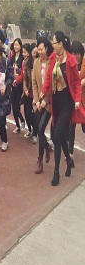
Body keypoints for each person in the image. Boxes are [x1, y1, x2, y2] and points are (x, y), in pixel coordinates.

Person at [40, 31, 81, 186]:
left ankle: (56, 172)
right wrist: (43, 92)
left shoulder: (70, 60)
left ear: (61, 44)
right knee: (60, 135)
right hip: (55, 103)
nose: (53, 45)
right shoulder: (53, 59)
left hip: (66, 104)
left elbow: (76, 83)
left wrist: (77, 100)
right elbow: (48, 79)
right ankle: (69, 161)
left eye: (54, 42)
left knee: (56, 136)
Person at [32, 37, 53, 174]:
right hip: (38, 102)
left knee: (40, 129)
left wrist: (45, 100)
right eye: (38, 49)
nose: (39, 52)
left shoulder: (52, 62)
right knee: (38, 130)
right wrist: (37, 100)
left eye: (41, 49)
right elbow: (34, 83)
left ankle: (39, 160)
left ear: (46, 48)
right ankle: (46, 147)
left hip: (48, 103)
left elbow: (52, 83)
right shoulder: (36, 62)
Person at [68, 41, 85, 160]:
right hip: (73, 99)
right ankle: (70, 151)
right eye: (73, 53)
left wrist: (81, 83)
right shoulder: (70, 63)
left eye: (77, 53)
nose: (75, 56)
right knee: (71, 124)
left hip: (83, 99)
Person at [10, 38, 26, 134]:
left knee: (16, 106)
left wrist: (18, 78)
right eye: (14, 45)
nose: (15, 46)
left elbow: (23, 73)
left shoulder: (22, 58)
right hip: (13, 85)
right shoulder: (12, 58)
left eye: (17, 45)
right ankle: (17, 126)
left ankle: (22, 120)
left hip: (19, 86)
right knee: (13, 106)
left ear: (20, 46)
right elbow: (10, 70)